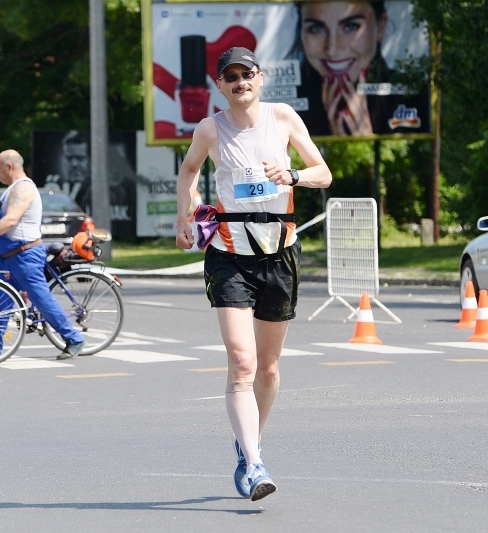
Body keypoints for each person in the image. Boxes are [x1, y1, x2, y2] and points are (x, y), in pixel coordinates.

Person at [174, 47, 331, 501]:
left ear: (260, 79)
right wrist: (183, 217)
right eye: (231, 76)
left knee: (268, 368)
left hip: (278, 251)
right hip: (229, 253)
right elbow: (188, 171)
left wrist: (292, 175)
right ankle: (256, 463)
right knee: (242, 362)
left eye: (247, 74)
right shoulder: (210, 128)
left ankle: (248, 445)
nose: (240, 81)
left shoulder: (282, 118)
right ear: (220, 86)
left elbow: (324, 172)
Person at [0, 149, 85, 360]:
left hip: (24, 256)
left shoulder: (23, 189)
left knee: (41, 299)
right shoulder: (13, 189)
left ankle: (74, 338)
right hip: (10, 257)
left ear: (9, 166)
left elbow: (11, 221)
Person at [287, 1, 430, 136]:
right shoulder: (284, 105)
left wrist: (364, 145)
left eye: (350, 26)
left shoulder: (418, 98)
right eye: (317, 28)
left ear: (381, 26)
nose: (332, 49)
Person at [46, 130, 90, 210]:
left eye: (80, 158)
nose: (74, 164)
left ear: (90, 160)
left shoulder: (97, 191)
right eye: (68, 158)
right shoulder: (52, 187)